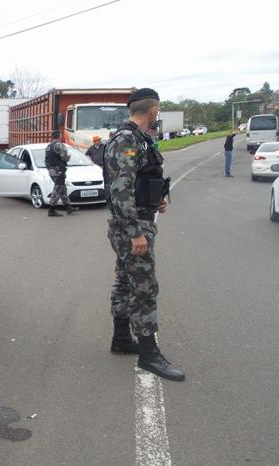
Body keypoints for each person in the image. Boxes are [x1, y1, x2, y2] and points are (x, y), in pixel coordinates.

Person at [104, 87, 184, 382]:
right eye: (158, 110)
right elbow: (120, 189)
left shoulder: (138, 139)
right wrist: (136, 232)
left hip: (133, 220)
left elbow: (140, 181)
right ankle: (150, 355)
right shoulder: (127, 140)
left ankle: (122, 339)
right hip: (131, 226)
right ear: (153, 110)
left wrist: (156, 200)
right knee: (144, 287)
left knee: (124, 280)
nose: (158, 114)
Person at [45, 130, 77, 217]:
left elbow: (46, 161)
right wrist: (68, 157)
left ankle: (68, 207)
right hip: (59, 171)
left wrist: (50, 169)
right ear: (59, 136)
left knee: (63, 189)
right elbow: (65, 157)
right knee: (57, 190)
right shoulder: (59, 145)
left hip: (52, 171)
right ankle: (51, 210)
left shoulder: (48, 146)